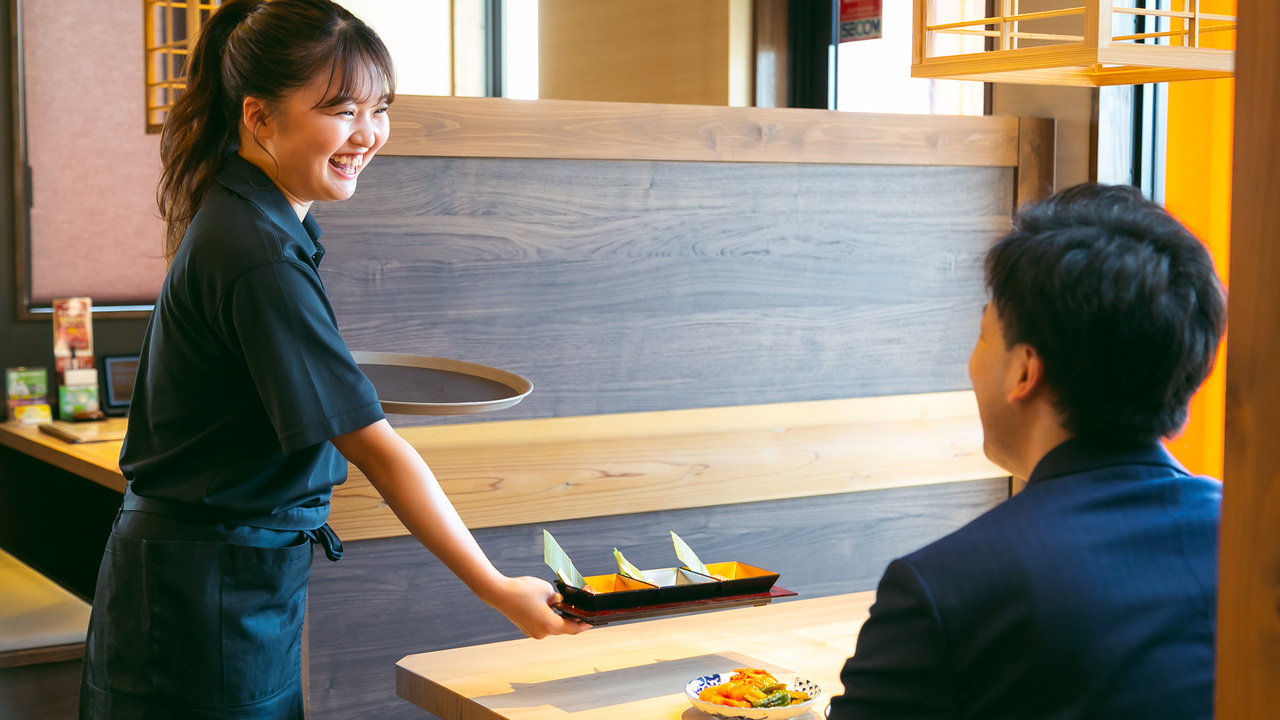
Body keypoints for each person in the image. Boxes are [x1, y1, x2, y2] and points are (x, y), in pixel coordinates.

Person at [80, 2, 586, 717]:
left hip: (220, 578)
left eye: (379, 108)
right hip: (199, 597)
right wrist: (496, 587)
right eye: (342, 109)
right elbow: (376, 449)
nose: (368, 134)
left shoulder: (254, 214)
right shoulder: (258, 250)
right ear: (259, 117)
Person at [827, 183, 1226, 720]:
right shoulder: (1251, 545)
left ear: (1023, 371)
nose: (971, 362)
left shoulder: (944, 592)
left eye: (983, 336)